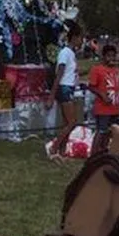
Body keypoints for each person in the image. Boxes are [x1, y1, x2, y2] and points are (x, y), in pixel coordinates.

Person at [46, 24, 83, 157]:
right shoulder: (65, 53)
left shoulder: (72, 54)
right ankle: (54, 147)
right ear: (73, 37)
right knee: (72, 122)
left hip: (69, 87)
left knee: (67, 123)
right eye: (80, 38)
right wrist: (52, 95)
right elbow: (59, 74)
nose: (81, 41)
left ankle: (62, 152)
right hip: (64, 88)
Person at [88, 44, 119, 148]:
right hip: (103, 107)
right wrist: (102, 95)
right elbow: (91, 86)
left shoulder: (116, 70)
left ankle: (103, 151)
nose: (111, 59)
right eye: (108, 56)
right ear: (103, 56)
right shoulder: (97, 69)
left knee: (110, 132)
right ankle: (94, 153)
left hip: (114, 107)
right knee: (101, 131)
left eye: (113, 56)